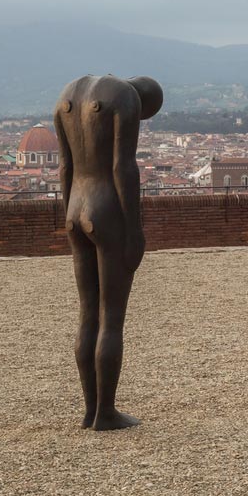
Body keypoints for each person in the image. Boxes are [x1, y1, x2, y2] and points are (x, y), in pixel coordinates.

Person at [54, 74, 163, 430]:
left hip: (75, 208)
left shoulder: (70, 93)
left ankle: (89, 410)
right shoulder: (125, 97)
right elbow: (123, 168)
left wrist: (68, 217)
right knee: (111, 317)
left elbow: (66, 168)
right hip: (107, 210)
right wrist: (134, 230)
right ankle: (106, 413)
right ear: (146, 104)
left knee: (88, 315)